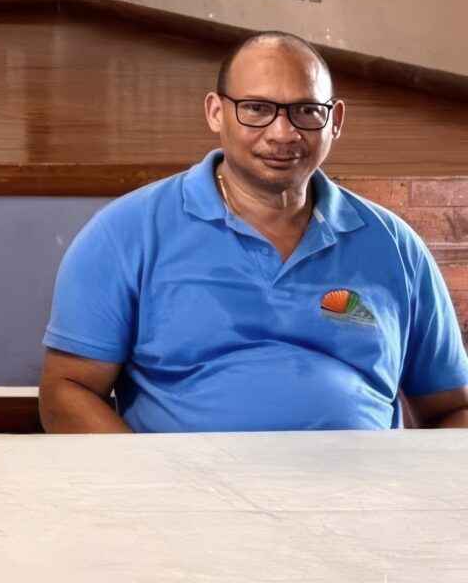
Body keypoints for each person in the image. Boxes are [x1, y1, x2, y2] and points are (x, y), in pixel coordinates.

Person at [41, 32, 468, 432]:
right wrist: (152, 479)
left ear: (335, 120)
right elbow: (66, 392)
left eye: (306, 111)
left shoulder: (394, 246)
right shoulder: (126, 232)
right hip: (187, 486)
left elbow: (452, 406)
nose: (283, 133)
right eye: (257, 109)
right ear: (215, 112)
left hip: (364, 483)